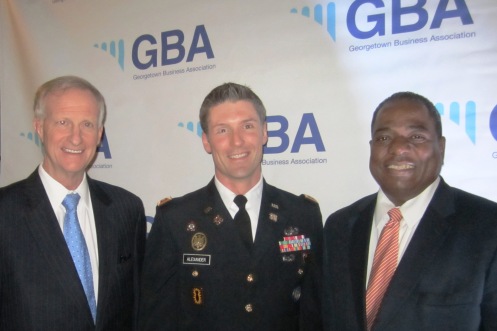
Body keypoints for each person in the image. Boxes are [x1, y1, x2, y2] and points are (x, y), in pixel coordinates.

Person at [139, 82, 323, 331]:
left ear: (265, 132)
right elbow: (156, 319)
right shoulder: (175, 220)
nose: (237, 142)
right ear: (206, 141)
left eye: (247, 126)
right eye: (223, 130)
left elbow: (314, 314)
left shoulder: (303, 215)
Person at [322, 91, 497, 331]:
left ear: (441, 147)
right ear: (371, 147)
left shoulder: (488, 227)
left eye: (416, 136)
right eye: (384, 138)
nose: (398, 148)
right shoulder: (339, 226)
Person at [0, 76, 147, 331]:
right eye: (63, 122)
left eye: (87, 125)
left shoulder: (127, 209)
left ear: (99, 134)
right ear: (39, 127)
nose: (76, 138)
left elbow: (136, 309)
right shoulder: (5, 212)